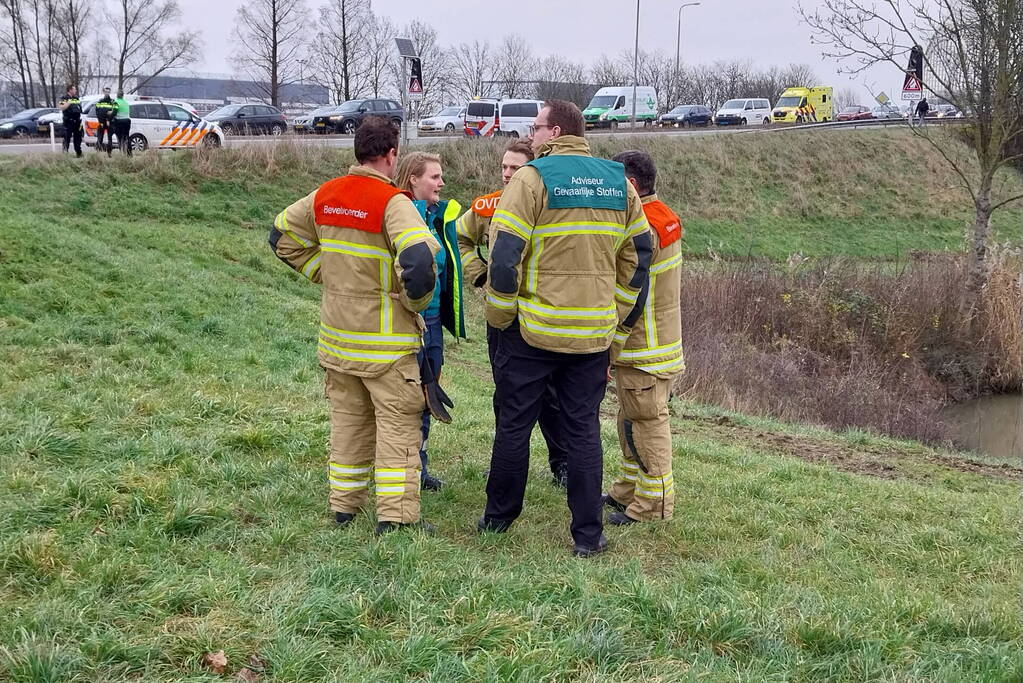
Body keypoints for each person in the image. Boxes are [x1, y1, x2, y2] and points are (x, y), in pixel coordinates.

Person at [478, 100, 653, 557]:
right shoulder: (619, 184)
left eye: (534, 127)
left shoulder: (530, 179)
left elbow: (503, 256)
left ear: (553, 132)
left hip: (532, 331)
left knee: (514, 425)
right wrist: (614, 317)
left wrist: (501, 315)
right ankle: (588, 536)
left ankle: (498, 520)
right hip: (592, 336)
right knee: (583, 431)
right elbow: (639, 260)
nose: (531, 135)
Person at [268, 116, 441, 536]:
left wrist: (325, 274)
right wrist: (412, 304)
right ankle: (395, 519)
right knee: (397, 430)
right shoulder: (392, 201)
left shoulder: (326, 195)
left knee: (347, 425)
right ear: (392, 154)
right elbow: (419, 262)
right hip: (387, 349)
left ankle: (344, 508)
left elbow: (280, 238)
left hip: (338, 342)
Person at [456, 139, 571, 488]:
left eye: (515, 168)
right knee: (506, 394)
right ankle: (505, 466)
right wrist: (479, 274)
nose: (507, 174)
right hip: (503, 318)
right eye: (504, 167)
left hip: (542, 314)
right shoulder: (488, 205)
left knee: (551, 396)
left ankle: (562, 463)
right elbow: (458, 236)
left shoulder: (551, 202)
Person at [603, 150, 685, 525]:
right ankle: (627, 490)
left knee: (647, 423)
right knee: (631, 420)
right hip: (657, 342)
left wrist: (612, 340)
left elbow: (630, 290)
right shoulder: (663, 216)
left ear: (632, 186)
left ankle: (653, 505)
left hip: (642, 347)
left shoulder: (643, 229)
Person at [394, 151, 466, 492]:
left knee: (429, 391)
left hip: (434, 316)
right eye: (434, 177)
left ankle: (419, 470)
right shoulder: (401, 213)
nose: (441, 182)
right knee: (408, 393)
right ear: (413, 178)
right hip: (409, 317)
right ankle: (402, 469)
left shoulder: (440, 215)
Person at [59, 84, 83, 157]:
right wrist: (68, 103)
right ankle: (65, 153)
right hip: (69, 121)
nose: (75, 90)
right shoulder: (64, 98)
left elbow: (79, 108)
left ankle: (79, 153)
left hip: (77, 121)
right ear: (70, 90)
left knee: (78, 138)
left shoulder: (76, 98)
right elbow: (61, 107)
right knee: (67, 138)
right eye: (74, 89)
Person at [94, 87, 117, 156]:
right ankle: (98, 153)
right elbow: (97, 112)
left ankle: (109, 153)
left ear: (110, 92)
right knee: (100, 137)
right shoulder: (99, 102)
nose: (107, 93)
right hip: (102, 122)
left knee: (110, 138)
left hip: (110, 122)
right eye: (106, 92)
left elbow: (115, 112)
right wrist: (100, 121)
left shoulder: (113, 101)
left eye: (108, 92)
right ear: (103, 92)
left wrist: (109, 120)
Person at [113, 91, 132, 155]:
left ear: (117, 95)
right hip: (127, 121)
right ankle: (129, 153)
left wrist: (110, 114)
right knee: (126, 137)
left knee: (120, 138)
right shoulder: (126, 103)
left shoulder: (116, 102)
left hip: (119, 122)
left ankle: (122, 152)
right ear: (123, 96)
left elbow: (114, 112)